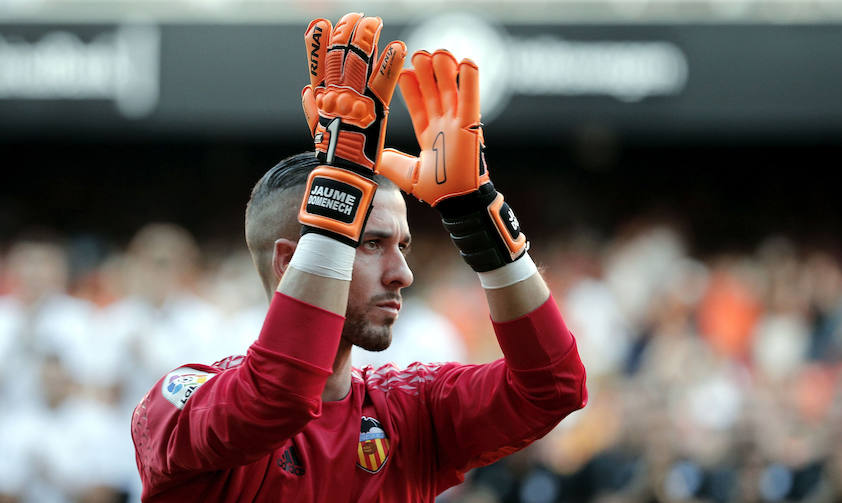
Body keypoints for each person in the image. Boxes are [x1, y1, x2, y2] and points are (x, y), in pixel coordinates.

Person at [131, 12, 586, 502]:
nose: (403, 274)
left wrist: (480, 221)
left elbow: (554, 388)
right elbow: (278, 396)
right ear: (289, 262)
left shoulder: (411, 411)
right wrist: (336, 193)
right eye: (371, 244)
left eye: (403, 246)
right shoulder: (179, 404)